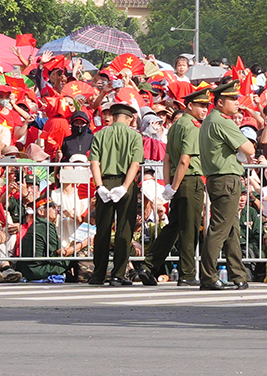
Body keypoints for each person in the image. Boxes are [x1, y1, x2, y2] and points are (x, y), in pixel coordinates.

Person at [149, 85, 209, 285]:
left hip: (177, 180)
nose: (205, 109)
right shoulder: (191, 126)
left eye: (206, 105)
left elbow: (167, 159)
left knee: (173, 226)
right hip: (189, 180)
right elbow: (185, 160)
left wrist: (169, 185)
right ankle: (187, 274)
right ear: (190, 105)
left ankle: (148, 265)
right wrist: (173, 186)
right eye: (201, 105)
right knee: (189, 228)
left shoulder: (176, 125)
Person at [199, 80, 255, 291]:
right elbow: (248, 148)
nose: (237, 103)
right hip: (226, 178)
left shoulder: (210, 120)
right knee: (220, 229)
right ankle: (208, 276)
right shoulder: (223, 121)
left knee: (231, 229)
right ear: (220, 102)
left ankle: (238, 275)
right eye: (232, 99)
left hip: (220, 178)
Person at [89, 100, 145, 285]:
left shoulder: (100, 135)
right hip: (125, 183)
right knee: (124, 230)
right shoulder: (135, 136)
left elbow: (94, 163)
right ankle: (118, 274)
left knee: (102, 230)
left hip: (104, 181)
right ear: (130, 119)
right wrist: (125, 186)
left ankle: (98, 274)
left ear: (113, 117)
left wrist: (100, 187)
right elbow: (134, 164)